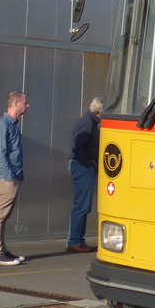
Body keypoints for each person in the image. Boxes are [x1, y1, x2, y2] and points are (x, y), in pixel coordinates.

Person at [0, 91, 28, 266]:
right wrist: (9, 177)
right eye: (25, 103)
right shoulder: (2, 125)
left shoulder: (12, 125)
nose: (28, 105)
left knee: (3, 216)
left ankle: (2, 251)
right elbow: (0, 154)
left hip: (12, 177)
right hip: (6, 179)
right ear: (16, 104)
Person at [66, 97, 102, 254]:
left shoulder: (88, 121)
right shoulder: (88, 124)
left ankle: (77, 240)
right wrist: (89, 163)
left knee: (82, 205)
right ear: (99, 112)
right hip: (82, 167)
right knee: (82, 205)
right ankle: (75, 241)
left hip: (81, 165)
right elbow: (78, 146)